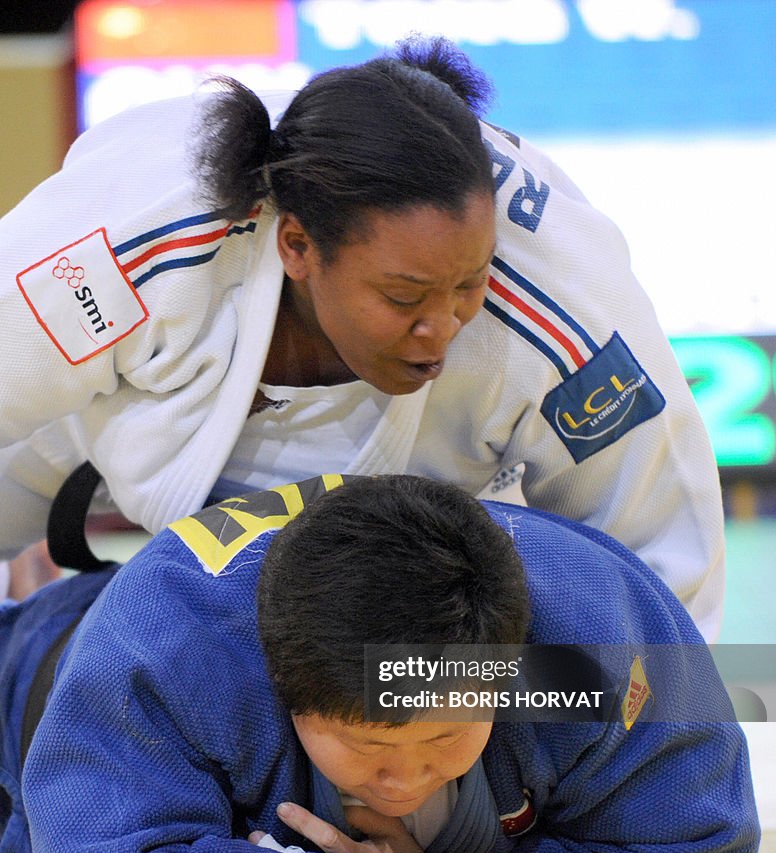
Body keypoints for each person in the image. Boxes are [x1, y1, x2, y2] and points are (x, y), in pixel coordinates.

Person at [0, 38, 724, 637]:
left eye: (469, 286)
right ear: (297, 246)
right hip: (92, 433)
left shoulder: (563, 307)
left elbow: (667, 586)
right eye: (404, 296)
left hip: (431, 541)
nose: (440, 329)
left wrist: (522, 741)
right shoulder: (129, 249)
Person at [0, 474, 758, 853]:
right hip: (44, 667)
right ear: (283, 692)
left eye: (445, 739)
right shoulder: (177, 655)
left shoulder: (588, 646)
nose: (403, 781)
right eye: (367, 747)